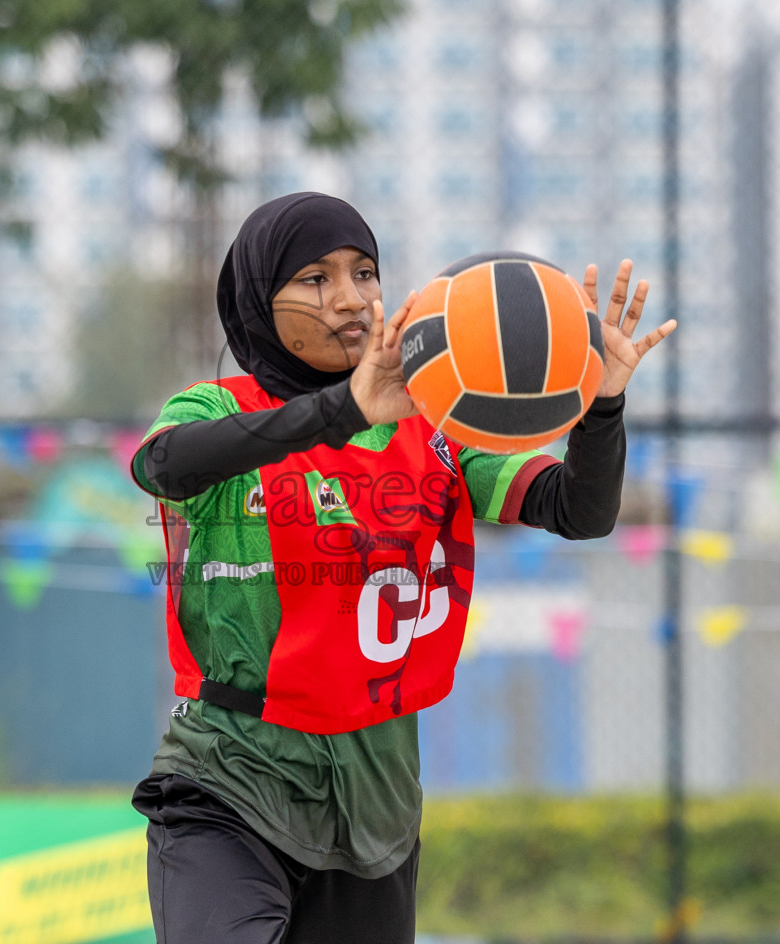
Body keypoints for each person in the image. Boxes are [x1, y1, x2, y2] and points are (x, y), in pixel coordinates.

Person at [126, 192, 674, 944]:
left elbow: (578, 512)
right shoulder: (217, 408)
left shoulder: (436, 423)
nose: (351, 298)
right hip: (229, 777)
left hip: (374, 795)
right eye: (315, 279)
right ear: (258, 300)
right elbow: (160, 464)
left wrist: (601, 406)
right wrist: (341, 411)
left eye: (364, 272)